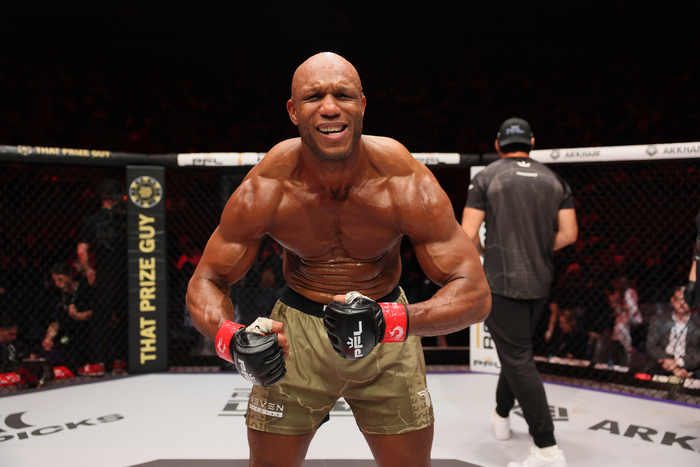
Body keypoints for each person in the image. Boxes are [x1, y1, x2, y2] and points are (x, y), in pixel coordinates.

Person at [186, 52, 491, 467]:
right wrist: (231, 339)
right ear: (293, 111)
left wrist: (388, 321)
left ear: (362, 105)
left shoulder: (404, 181)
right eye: (314, 97)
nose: (330, 107)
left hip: (387, 330)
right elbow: (207, 279)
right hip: (295, 338)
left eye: (343, 95)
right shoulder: (268, 186)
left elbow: (475, 294)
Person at [461, 117, 578, 467]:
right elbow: (569, 234)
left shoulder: (487, 176)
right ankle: (501, 415)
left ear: (498, 145)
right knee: (517, 352)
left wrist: (485, 252)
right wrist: (536, 247)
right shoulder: (554, 180)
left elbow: (467, 235)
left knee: (518, 358)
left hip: (502, 282)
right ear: (532, 143)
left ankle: (547, 448)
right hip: (540, 281)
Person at [77, 179, 128, 375]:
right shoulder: (127, 219)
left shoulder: (92, 220)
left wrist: (89, 270)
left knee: (101, 318)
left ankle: (98, 362)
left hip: (104, 274)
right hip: (127, 275)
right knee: (123, 317)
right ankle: (120, 361)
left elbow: (82, 249)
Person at [42, 263, 97, 376]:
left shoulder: (85, 288)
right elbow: (55, 321)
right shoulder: (56, 295)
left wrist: (80, 316)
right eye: (55, 280)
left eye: (60, 279)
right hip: (69, 340)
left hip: (90, 335)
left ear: (70, 275)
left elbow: (98, 312)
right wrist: (48, 338)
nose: (57, 284)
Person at [645, 285, 700, 378]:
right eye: (679, 299)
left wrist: (679, 362)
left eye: (686, 300)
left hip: (690, 367)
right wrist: (672, 367)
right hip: (662, 365)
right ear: (672, 300)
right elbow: (651, 346)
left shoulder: (698, 323)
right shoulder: (659, 320)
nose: (682, 303)